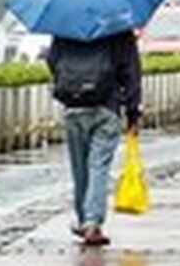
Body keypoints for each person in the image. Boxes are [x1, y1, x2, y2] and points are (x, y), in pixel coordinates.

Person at [46, 30, 142, 247]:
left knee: (80, 169)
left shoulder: (65, 29)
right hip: (106, 108)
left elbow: (53, 61)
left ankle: (83, 220)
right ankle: (92, 223)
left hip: (73, 108)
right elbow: (132, 75)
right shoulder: (120, 30)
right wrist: (133, 113)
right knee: (98, 166)